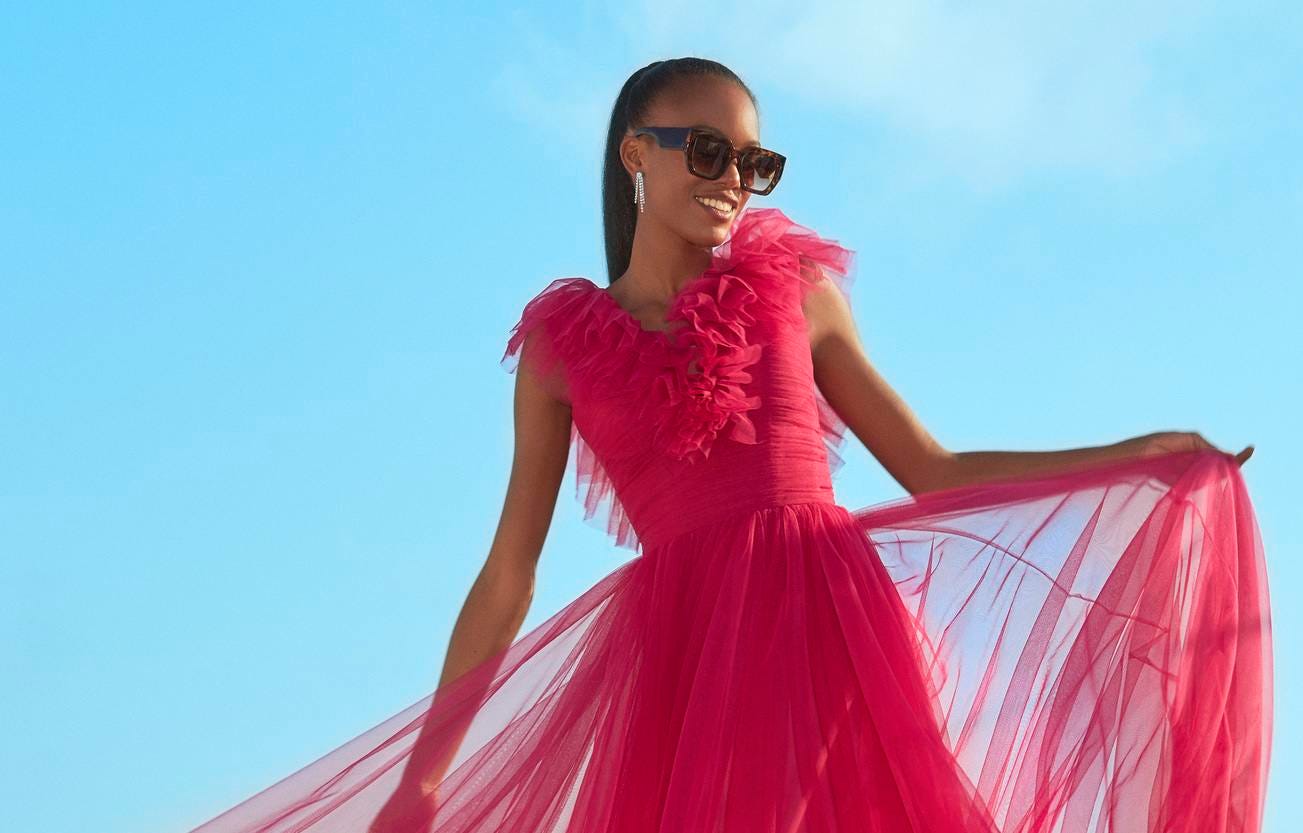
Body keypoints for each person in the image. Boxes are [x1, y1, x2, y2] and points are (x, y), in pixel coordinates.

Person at [186, 58, 1270, 833]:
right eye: (707, 149)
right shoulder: (560, 350)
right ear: (634, 156)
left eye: (754, 159)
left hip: (828, 626)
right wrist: (425, 776)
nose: (732, 177)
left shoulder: (800, 291)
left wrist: (1135, 450)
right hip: (680, 663)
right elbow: (508, 569)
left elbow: (932, 469)